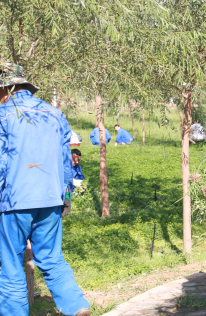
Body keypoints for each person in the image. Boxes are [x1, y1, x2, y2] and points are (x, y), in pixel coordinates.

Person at [0, 63, 90, 316]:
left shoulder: (3, 114)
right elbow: (65, 159)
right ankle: (76, 305)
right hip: (50, 198)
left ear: (8, 88)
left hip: (14, 201)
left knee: (11, 265)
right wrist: (65, 194)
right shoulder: (55, 114)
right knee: (51, 258)